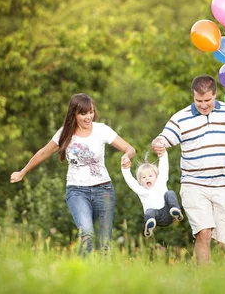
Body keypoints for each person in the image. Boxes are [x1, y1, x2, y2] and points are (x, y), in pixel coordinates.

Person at [151, 75, 225, 264]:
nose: (203, 105)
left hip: (224, 186)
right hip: (194, 185)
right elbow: (161, 139)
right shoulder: (181, 117)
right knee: (204, 232)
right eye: (198, 101)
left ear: (215, 95)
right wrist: (158, 144)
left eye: (207, 100)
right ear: (193, 96)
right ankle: (204, 282)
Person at [10, 93, 136, 255]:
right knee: (87, 234)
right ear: (74, 114)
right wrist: (23, 171)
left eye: (90, 112)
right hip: (77, 191)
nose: (88, 117)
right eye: (83, 113)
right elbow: (43, 153)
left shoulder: (101, 130)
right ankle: (81, 274)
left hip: (104, 190)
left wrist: (127, 155)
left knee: (104, 244)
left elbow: (129, 148)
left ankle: (101, 277)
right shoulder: (65, 133)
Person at [121, 150, 183, 237]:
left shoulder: (160, 182)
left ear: (156, 176)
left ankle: (175, 210)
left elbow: (164, 168)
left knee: (169, 193)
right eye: (143, 177)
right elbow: (130, 181)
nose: (147, 178)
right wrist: (125, 169)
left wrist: (163, 154)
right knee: (149, 211)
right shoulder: (141, 190)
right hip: (156, 217)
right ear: (140, 181)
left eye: (150, 176)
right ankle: (149, 225)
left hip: (167, 211)